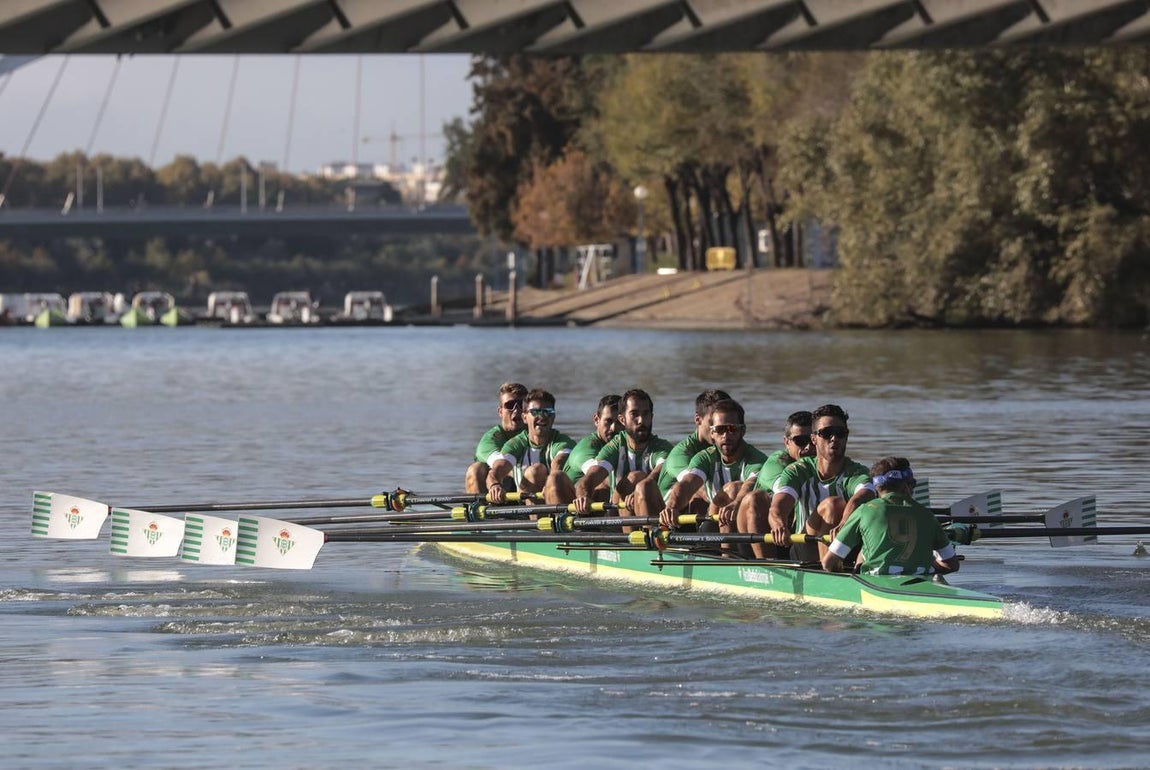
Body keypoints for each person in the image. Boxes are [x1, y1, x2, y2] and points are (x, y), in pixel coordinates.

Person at [767, 404, 875, 561]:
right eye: (826, 433)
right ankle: (828, 571)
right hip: (804, 547)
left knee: (835, 505)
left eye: (840, 433)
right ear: (813, 439)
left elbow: (863, 496)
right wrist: (779, 525)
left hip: (845, 546)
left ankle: (832, 566)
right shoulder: (797, 471)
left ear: (846, 436)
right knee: (832, 505)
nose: (834, 438)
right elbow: (778, 506)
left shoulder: (857, 472)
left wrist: (844, 524)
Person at [822, 457, 959, 576]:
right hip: (921, 582)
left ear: (878, 488)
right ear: (906, 487)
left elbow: (828, 563)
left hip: (874, 585)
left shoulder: (864, 511)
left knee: (864, 551)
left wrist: (851, 574)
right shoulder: (928, 515)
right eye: (913, 485)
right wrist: (926, 567)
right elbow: (951, 565)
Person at [658, 399, 770, 537]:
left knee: (733, 489)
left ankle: (728, 555)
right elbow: (687, 484)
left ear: (743, 431)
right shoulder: (705, 458)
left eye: (732, 429)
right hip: (715, 523)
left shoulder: (757, 459)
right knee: (696, 497)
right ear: (712, 433)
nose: (726, 436)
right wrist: (671, 507)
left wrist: (736, 503)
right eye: (720, 429)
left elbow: (750, 485)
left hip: (749, 528)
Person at [572, 388, 674, 525]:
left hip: (658, 518)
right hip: (619, 515)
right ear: (622, 419)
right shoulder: (614, 446)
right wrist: (582, 497)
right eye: (634, 414)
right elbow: (589, 479)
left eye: (646, 414)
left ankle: (647, 536)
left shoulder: (662, 448)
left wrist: (639, 491)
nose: (641, 420)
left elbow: (657, 472)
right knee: (620, 482)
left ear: (652, 417)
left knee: (639, 482)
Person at [734, 410, 815, 558]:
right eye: (801, 441)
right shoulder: (777, 464)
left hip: (791, 537)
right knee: (755, 498)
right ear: (786, 442)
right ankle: (766, 565)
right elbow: (788, 492)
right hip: (762, 536)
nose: (808, 447)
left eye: (812, 440)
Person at [487, 389, 576, 504]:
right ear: (524, 417)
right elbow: (498, 469)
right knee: (535, 472)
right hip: (527, 505)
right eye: (535, 412)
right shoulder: (516, 444)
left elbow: (559, 462)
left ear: (553, 417)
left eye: (547, 411)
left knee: (546, 474)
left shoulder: (563, 442)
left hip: (560, 501)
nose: (542, 417)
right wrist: (495, 485)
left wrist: (550, 483)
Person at [465, 382, 527, 494]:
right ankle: (479, 508)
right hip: (497, 489)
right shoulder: (490, 440)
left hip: (528, 484)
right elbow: (501, 465)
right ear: (500, 412)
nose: (516, 410)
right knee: (475, 469)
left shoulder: (536, 434)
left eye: (521, 405)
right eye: (510, 405)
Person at [561, 394, 622, 500]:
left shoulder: (623, 445)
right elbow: (599, 478)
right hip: (575, 505)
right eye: (608, 421)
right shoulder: (586, 449)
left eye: (619, 422)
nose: (613, 428)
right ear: (596, 420)